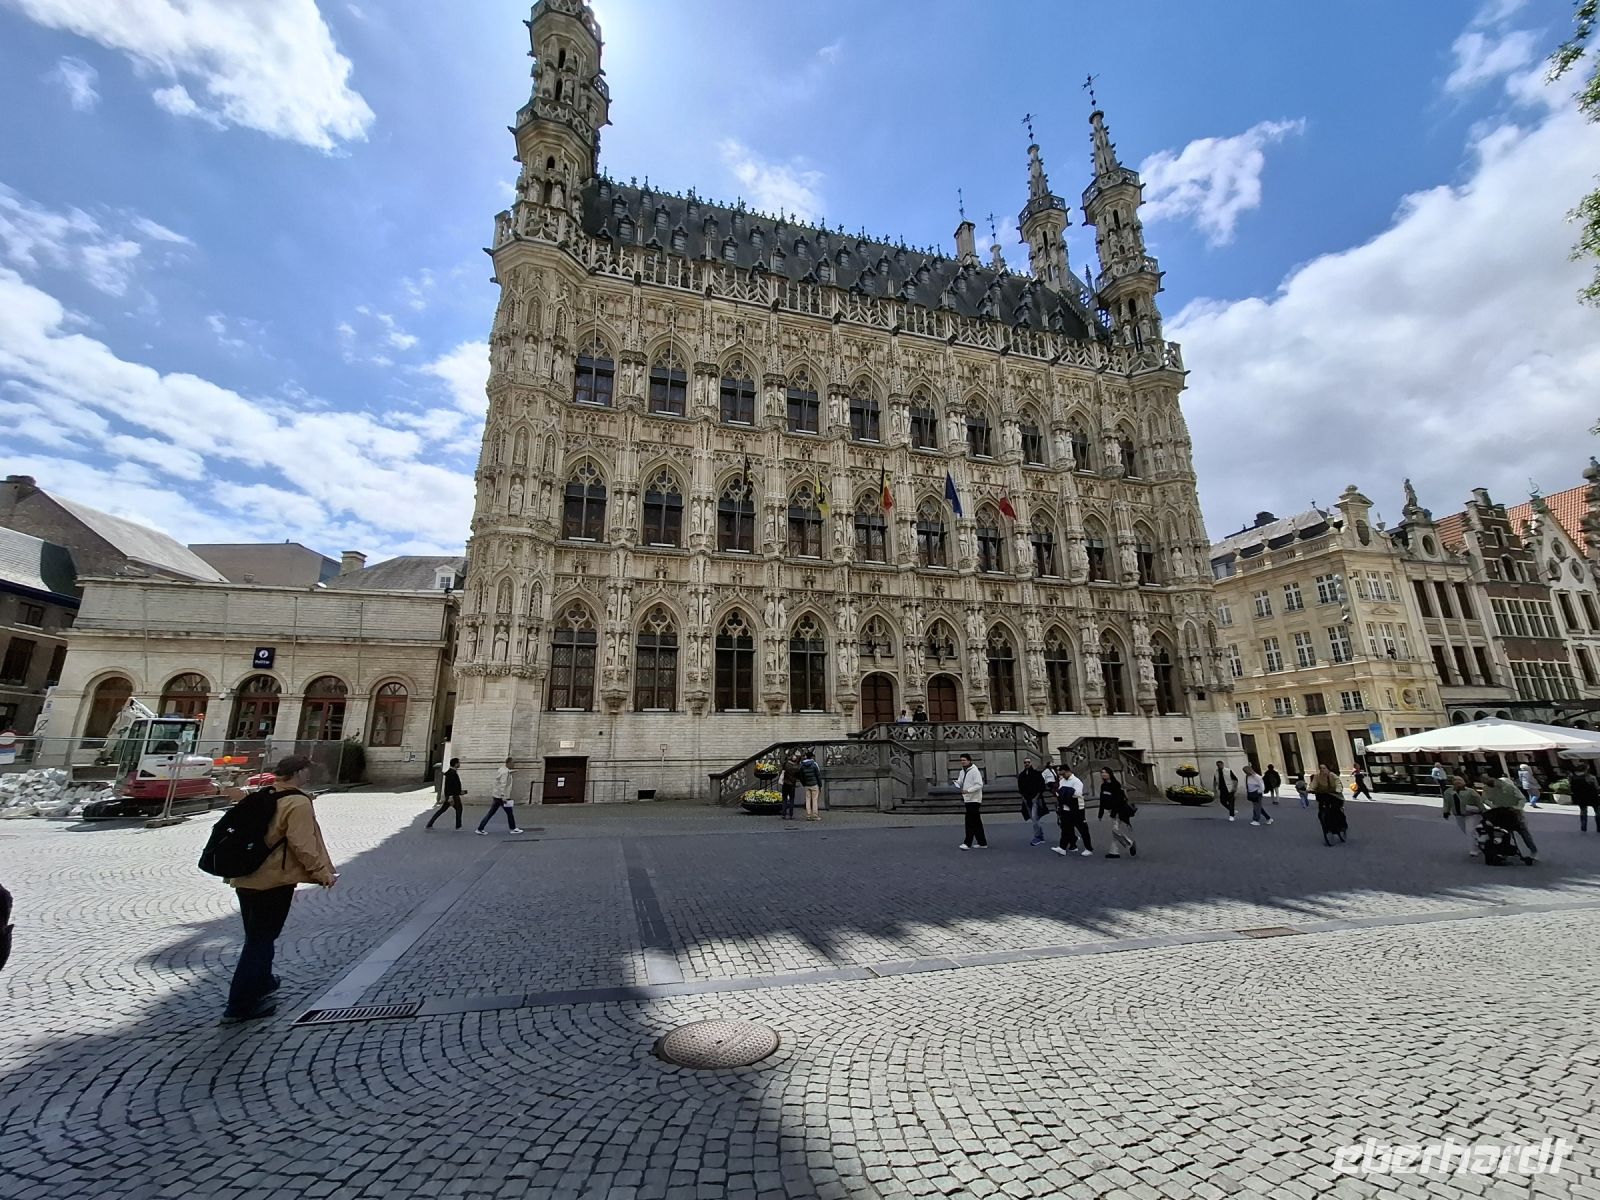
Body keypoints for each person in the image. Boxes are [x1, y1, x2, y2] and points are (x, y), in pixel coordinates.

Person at [221, 755, 336, 1024]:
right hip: (273, 880)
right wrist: (323, 873)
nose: (309, 775)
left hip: (244, 877)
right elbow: (302, 844)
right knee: (260, 940)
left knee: (259, 936)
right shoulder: (297, 802)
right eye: (307, 770)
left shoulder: (263, 794)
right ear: (298, 772)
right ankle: (239, 1005)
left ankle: (263, 983)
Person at [1482, 768, 1537, 860]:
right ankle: (1504, 851)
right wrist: (1493, 806)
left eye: (1489, 779)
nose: (1487, 781)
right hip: (1500, 813)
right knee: (1503, 832)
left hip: (1514, 813)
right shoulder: (1487, 788)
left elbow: (1522, 799)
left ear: (1495, 779)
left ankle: (1534, 851)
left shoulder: (1509, 786)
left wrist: (1516, 808)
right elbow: (1484, 799)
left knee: (1523, 832)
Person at [1096, 767, 1136, 859]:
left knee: (1115, 830)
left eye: (1105, 772)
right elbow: (1102, 800)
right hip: (1109, 810)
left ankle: (1129, 843)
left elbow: (1118, 801)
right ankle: (1114, 851)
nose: (1103, 774)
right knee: (1114, 831)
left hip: (1118, 810)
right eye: (1102, 772)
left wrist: (1113, 813)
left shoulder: (1115, 785)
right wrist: (1100, 813)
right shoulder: (1104, 785)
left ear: (1110, 773)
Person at [1052, 767, 1093, 857]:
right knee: (1065, 828)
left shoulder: (1076, 781)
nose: (1062, 776)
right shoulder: (1062, 781)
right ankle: (1062, 848)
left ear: (1068, 771)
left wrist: (1064, 792)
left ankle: (1088, 848)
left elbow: (1077, 793)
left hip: (1077, 808)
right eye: (1060, 774)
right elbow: (1058, 792)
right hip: (1065, 808)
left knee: (1082, 829)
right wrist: (1066, 792)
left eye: (1063, 774)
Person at [476, 757, 523, 834]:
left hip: (497, 795)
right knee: (509, 812)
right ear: (508, 763)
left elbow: (503, 775)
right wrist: (504, 797)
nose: (514, 764)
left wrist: (511, 771)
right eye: (513, 763)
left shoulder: (502, 769)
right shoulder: (505, 773)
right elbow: (503, 784)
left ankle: (480, 828)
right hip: (502, 796)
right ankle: (513, 828)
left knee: (491, 812)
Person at [955, 753, 987, 850]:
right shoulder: (962, 771)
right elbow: (961, 781)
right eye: (961, 760)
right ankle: (982, 842)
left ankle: (967, 843)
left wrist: (968, 790)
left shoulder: (974, 771)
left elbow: (979, 785)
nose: (962, 762)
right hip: (967, 799)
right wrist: (957, 783)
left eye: (964, 760)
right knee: (976, 822)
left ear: (969, 760)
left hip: (974, 799)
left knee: (970, 821)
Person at [1441, 773, 1479, 851]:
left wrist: (1483, 810)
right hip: (1458, 814)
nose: (1457, 781)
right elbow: (1447, 803)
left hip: (1471, 814)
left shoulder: (1470, 791)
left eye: (1459, 780)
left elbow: (1478, 801)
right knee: (1465, 830)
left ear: (1464, 781)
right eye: (1455, 780)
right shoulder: (1448, 792)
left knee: (1470, 830)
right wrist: (1446, 812)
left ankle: (1474, 849)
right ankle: (1477, 841)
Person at [1017, 756, 1048, 847]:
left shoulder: (1036, 774)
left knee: (1034, 818)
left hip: (1035, 799)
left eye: (1028, 762)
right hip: (1027, 800)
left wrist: (1037, 797)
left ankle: (1038, 836)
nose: (1027, 764)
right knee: (1034, 818)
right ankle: (1040, 835)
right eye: (1025, 762)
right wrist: (1023, 798)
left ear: (1031, 763)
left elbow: (1042, 786)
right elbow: (1020, 788)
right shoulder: (1022, 775)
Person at [426, 758, 465, 829]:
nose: (460, 764)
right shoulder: (452, 773)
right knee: (459, 809)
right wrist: (450, 797)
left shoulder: (452, 772)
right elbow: (449, 786)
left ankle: (429, 824)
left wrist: (460, 791)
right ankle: (458, 826)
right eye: (459, 763)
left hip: (453, 795)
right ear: (456, 764)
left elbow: (454, 785)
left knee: (443, 810)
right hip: (453, 796)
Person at [1570, 764, 1600, 833]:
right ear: (1586, 770)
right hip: (1592, 796)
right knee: (1597, 811)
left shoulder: (1572, 777)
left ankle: (1583, 827)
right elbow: (1596, 787)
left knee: (1583, 811)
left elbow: (1572, 787)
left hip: (1580, 797)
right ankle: (1599, 828)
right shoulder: (1590, 777)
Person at [797, 749, 824, 822]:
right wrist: (820, 785)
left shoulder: (802, 765)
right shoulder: (814, 764)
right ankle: (815, 815)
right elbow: (818, 775)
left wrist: (804, 783)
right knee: (814, 800)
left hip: (807, 785)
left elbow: (801, 776)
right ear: (812, 757)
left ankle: (808, 815)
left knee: (808, 800)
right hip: (814, 784)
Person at [779, 752, 801, 822]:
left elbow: (782, 770)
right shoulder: (796, 767)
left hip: (785, 783)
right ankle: (791, 814)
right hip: (792, 785)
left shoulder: (786, 765)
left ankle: (784, 814)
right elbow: (798, 775)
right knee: (791, 800)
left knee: (784, 799)